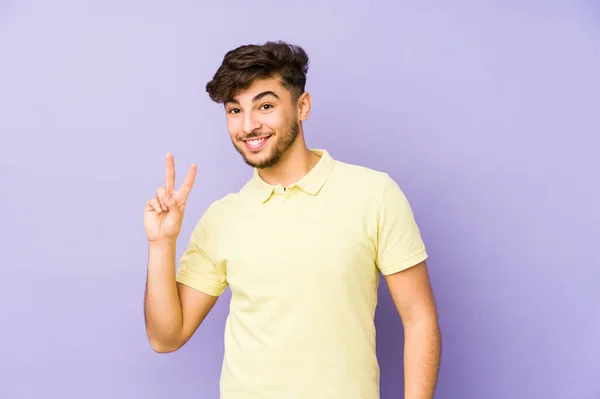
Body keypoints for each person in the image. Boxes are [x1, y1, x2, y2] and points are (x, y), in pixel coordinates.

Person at [143, 41, 441, 399]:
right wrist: (161, 244)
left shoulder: (374, 194)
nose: (248, 125)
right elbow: (166, 338)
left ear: (302, 106)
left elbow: (419, 319)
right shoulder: (222, 217)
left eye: (265, 106)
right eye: (234, 110)